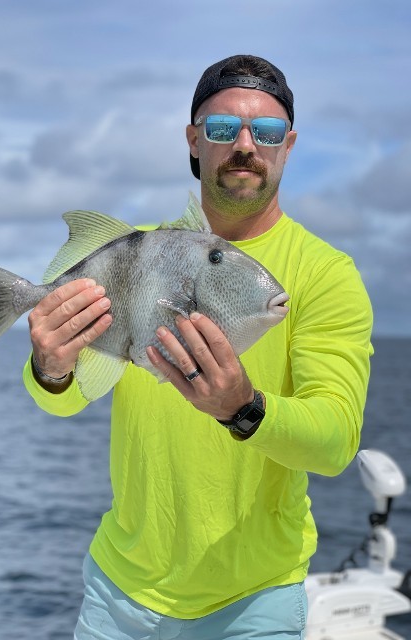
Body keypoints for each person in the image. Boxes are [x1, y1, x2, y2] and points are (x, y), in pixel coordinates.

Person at [23, 55, 373, 639]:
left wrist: (244, 409)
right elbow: (62, 399)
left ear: (286, 146)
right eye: (220, 128)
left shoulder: (325, 274)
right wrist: (49, 366)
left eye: (264, 132)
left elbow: (336, 441)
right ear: (193, 140)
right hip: (119, 593)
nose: (244, 145)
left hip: (252, 602)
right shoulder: (146, 253)